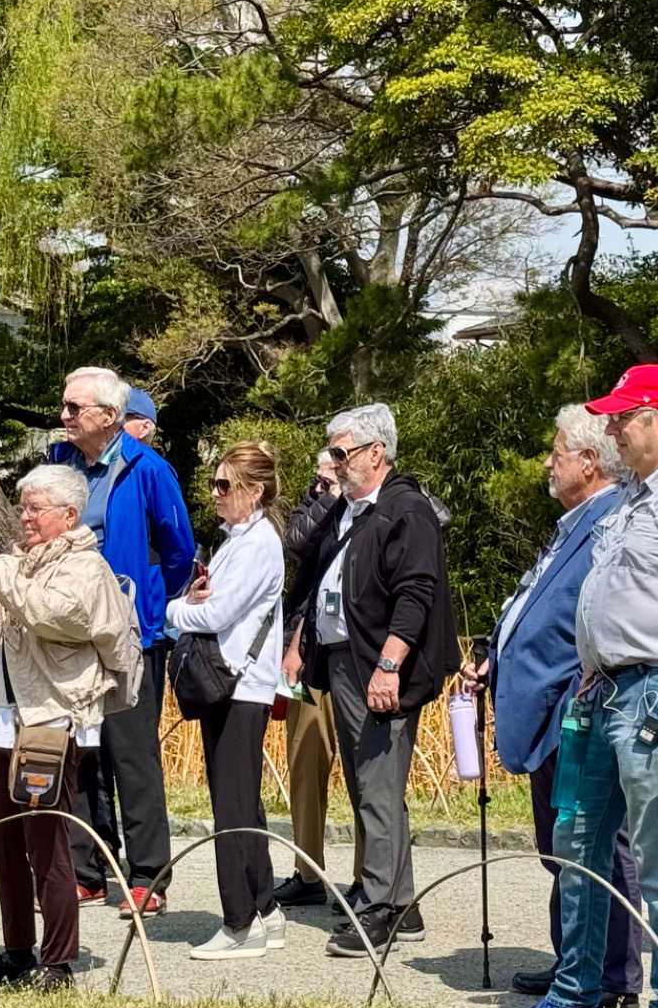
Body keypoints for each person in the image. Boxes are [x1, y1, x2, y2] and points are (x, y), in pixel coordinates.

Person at [507, 364, 658, 1008]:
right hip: (603, 691)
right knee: (577, 844)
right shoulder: (636, 496)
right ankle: (574, 998)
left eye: (621, 417)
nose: (611, 429)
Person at [0, 465, 134, 991]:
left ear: (69, 515)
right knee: (1, 838)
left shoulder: (87, 567)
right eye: (23, 507)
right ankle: (17, 951)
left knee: (46, 841)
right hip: (6, 717)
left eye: (36, 508)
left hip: (52, 717)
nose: (25, 517)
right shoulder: (20, 561)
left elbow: (48, 614)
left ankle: (57, 963)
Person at [467, 406, 642, 1008]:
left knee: (596, 841)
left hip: (578, 706)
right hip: (550, 712)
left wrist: (574, 692)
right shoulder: (574, 523)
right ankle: (575, 959)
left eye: (557, 452)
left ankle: (610, 977)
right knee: (562, 843)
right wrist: (495, 656)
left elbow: (596, 620)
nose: (548, 462)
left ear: (589, 463)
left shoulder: (610, 521)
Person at [282, 403, 457, 959]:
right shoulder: (352, 510)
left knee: (378, 786)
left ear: (376, 452)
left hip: (378, 667)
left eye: (342, 452)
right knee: (369, 787)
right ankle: (400, 903)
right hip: (344, 661)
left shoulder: (405, 509)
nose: (334, 463)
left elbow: (416, 592)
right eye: (332, 453)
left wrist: (389, 665)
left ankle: (379, 908)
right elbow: (307, 560)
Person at [50, 366, 196, 917]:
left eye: (74, 408)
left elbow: (179, 548)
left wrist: (149, 602)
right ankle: (88, 871)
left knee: (132, 754)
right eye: (64, 406)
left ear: (109, 415)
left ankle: (147, 876)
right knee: (81, 753)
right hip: (70, 629)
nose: (64, 417)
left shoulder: (147, 468)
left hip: (131, 631)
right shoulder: (60, 463)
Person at [165, 442, 287, 959]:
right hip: (233, 683)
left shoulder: (258, 544)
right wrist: (193, 601)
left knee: (232, 808)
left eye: (224, 485)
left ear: (253, 491)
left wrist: (171, 611)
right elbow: (211, 603)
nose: (215, 494)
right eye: (213, 484)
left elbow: (216, 615)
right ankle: (265, 907)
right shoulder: (238, 540)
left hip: (239, 684)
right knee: (242, 801)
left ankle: (240, 922)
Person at [270, 450, 360, 909]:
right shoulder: (314, 505)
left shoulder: (383, 503)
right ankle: (308, 871)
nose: (335, 471)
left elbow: (436, 518)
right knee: (305, 761)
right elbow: (297, 543)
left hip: (360, 653)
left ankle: (370, 878)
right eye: (328, 466)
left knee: (367, 771)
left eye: (342, 461)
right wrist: (328, 495)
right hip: (307, 649)